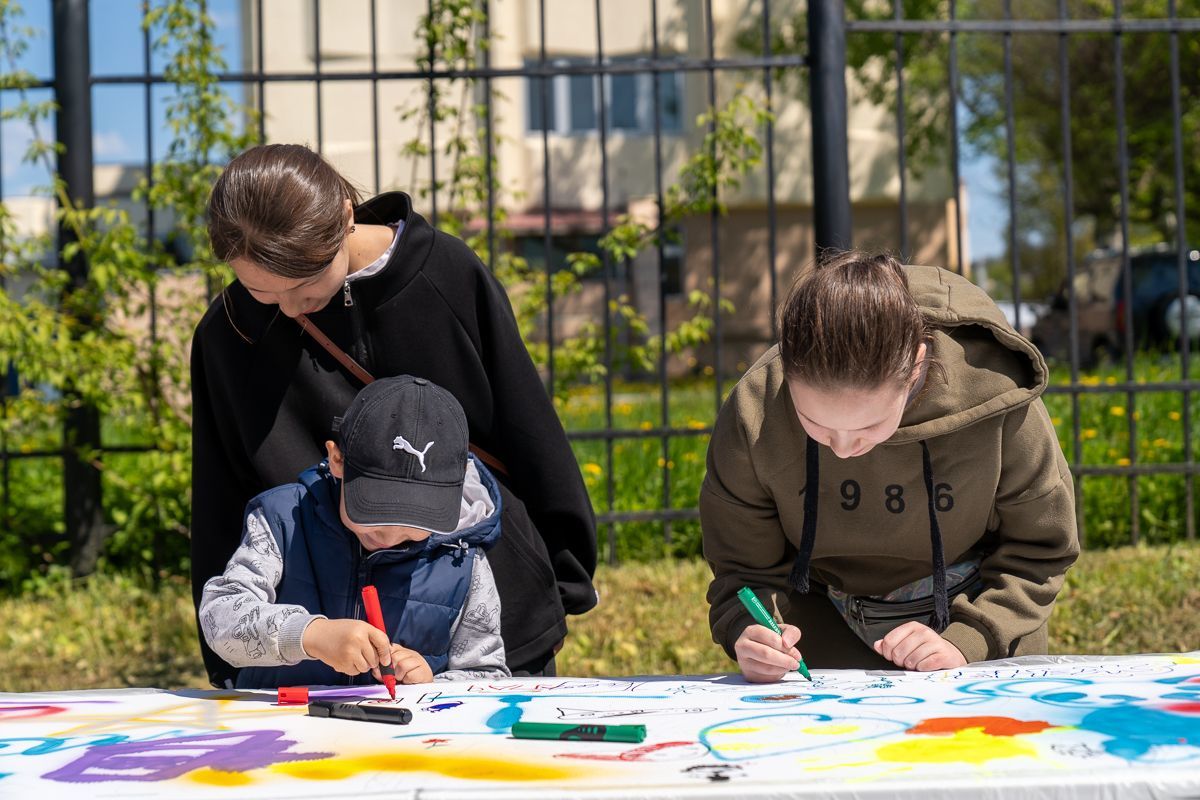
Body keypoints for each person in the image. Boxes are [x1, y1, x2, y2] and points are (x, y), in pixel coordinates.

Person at [193, 143, 597, 688]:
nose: (288, 309)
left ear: (343, 217)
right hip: (321, 639)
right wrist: (230, 655)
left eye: (306, 286)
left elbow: (527, 426)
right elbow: (221, 486)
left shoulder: (446, 275)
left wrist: (562, 575)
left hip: (485, 608)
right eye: (262, 291)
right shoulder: (230, 333)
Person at [702, 251, 1079, 681]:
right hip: (816, 641)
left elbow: (1041, 548)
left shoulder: (998, 398)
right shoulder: (755, 408)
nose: (843, 449)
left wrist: (969, 639)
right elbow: (742, 570)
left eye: (869, 425)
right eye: (816, 426)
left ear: (917, 364)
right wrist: (749, 630)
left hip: (980, 628)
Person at [199, 375, 509, 687]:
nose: (389, 536)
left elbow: (487, 677)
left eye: (417, 521)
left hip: (396, 734)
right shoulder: (283, 520)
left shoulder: (462, 556)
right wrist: (310, 635)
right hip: (281, 727)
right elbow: (220, 617)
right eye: (375, 510)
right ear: (338, 459)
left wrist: (430, 681)